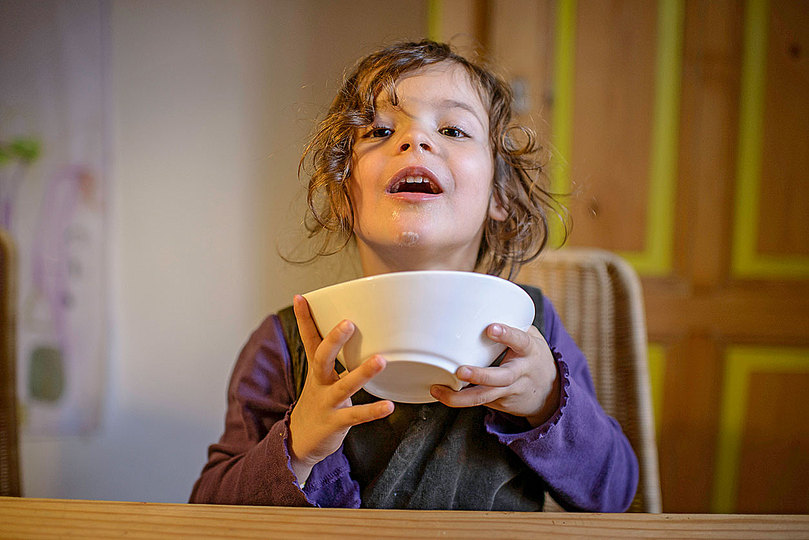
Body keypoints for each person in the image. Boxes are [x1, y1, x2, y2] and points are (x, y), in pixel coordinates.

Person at [189, 40, 638, 512]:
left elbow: (615, 494)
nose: (415, 140)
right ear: (344, 197)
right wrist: (297, 447)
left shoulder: (533, 336)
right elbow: (210, 509)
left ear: (499, 195)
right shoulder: (287, 345)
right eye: (380, 130)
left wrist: (547, 401)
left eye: (452, 129)